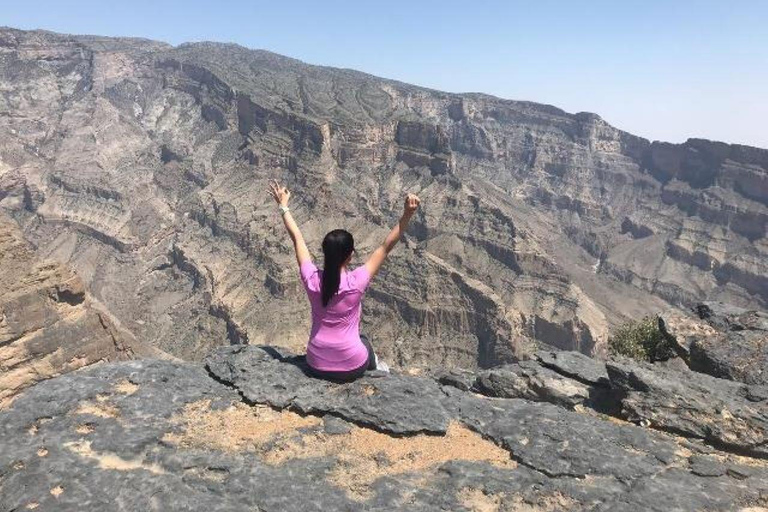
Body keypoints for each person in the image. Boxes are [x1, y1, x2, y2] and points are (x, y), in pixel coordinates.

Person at [268, 179, 420, 382]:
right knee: (363, 340)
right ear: (350, 256)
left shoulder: (312, 279)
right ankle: (379, 369)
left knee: (359, 340)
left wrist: (283, 206)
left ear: (324, 253)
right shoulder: (356, 281)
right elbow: (385, 247)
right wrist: (407, 215)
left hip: (316, 364)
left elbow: (297, 238)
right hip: (352, 366)